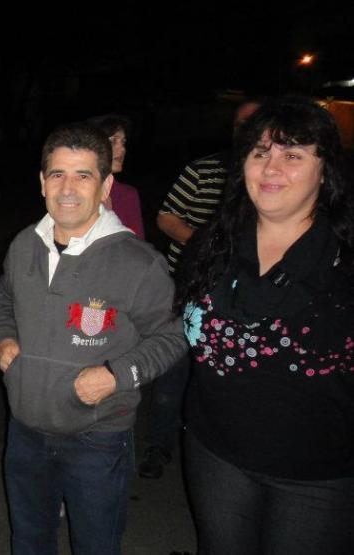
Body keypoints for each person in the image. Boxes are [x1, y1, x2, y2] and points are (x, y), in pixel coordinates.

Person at [0, 123, 185, 554]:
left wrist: (117, 375)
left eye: (83, 175)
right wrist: (4, 337)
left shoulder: (138, 261)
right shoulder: (24, 244)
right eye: (57, 174)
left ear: (106, 184)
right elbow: (4, 294)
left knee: (96, 545)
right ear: (42, 182)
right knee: (29, 541)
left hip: (97, 437)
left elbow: (173, 335)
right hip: (24, 430)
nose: (68, 188)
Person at [175, 97, 354, 555]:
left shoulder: (345, 258)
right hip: (216, 453)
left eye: (292, 155)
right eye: (260, 153)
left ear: (325, 169)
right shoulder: (210, 246)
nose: (272, 167)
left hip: (318, 475)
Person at [139, 100, 261, 479]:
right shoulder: (204, 169)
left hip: (245, 300)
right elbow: (166, 217)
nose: (248, 129)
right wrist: (209, 247)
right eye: (242, 122)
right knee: (171, 375)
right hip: (188, 290)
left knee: (230, 382)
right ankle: (159, 447)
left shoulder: (269, 177)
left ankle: (223, 456)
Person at [87, 113, 144, 238]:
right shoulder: (74, 191)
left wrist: (108, 217)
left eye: (123, 142)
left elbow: (138, 248)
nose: (122, 149)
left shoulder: (128, 195)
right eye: (113, 141)